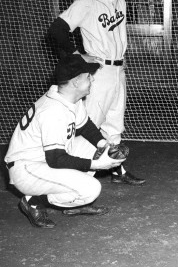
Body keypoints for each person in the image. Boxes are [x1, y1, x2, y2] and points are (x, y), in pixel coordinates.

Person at [47, 0, 145, 186]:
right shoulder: (86, 2)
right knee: (90, 124)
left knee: (114, 123)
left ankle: (117, 170)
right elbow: (57, 29)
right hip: (98, 73)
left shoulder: (121, 0)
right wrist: (76, 56)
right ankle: (75, 181)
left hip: (118, 70)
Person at [4, 55, 128, 228]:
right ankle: (32, 200)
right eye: (88, 76)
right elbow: (56, 159)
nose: (92, 79)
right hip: (27, 169)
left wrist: (105, 146)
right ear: (76, 82)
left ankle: (76, 202)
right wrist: (98, 164)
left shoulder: (68, 97)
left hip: (46, 158)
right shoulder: (53, 111)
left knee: (97, 144)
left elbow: (85, 126)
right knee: (92, 189)